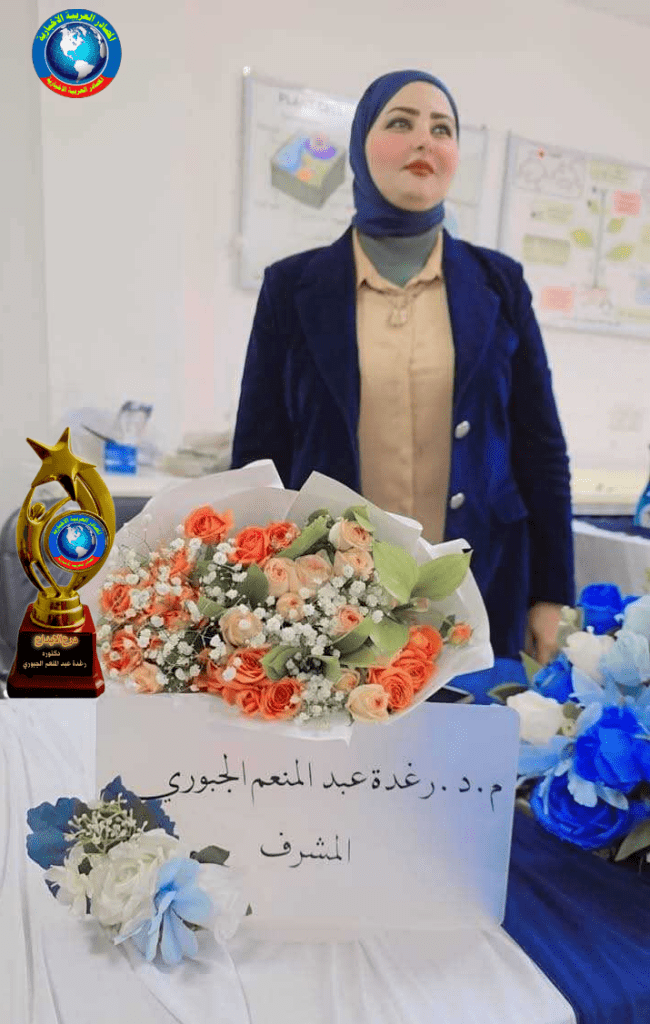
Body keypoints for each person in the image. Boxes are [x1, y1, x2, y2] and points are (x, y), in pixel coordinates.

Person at [231, 69, 575, 665]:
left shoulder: (500, 284)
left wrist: (552, 594)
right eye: (400, 122)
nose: (424, 141)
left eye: (442, 129)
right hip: (327, 595)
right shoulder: (292, 287)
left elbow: (541, 450)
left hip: (482, 583)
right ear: (361, 145)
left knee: (473, 724)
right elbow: (259, 454)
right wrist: (250, 591)